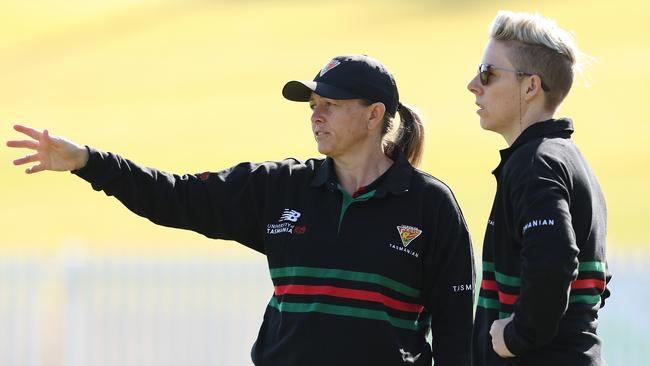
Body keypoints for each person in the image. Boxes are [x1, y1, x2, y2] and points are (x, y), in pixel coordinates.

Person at [8, 54, 475, 366]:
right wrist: (88, 161)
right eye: (313, 105)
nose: (316, 115)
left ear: (375, 115)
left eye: (330, 105)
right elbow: (175, 197)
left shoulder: (431, 206)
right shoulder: (279, 188)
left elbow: (456, 333)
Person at [466, 11, 611, 366]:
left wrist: (518, 336)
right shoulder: (568, 158)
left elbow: (555, 260)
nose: (473, 84)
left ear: (530, 87)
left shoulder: (536, 163)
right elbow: (596, 283)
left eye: (488, 73)